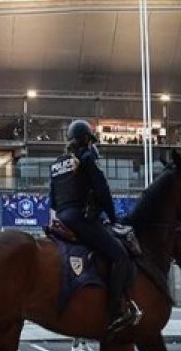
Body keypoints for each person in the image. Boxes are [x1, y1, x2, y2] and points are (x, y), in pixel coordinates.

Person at [49, 119, 141, 333]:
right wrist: (113, 217)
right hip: (80, 218)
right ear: (85, 139)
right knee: (119, 255)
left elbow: (52, 200)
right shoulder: (87, 158)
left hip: (62, 218)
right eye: (90, 140)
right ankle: (115, 311)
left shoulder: (57, 164)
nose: (91, 144)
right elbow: (103, 190)